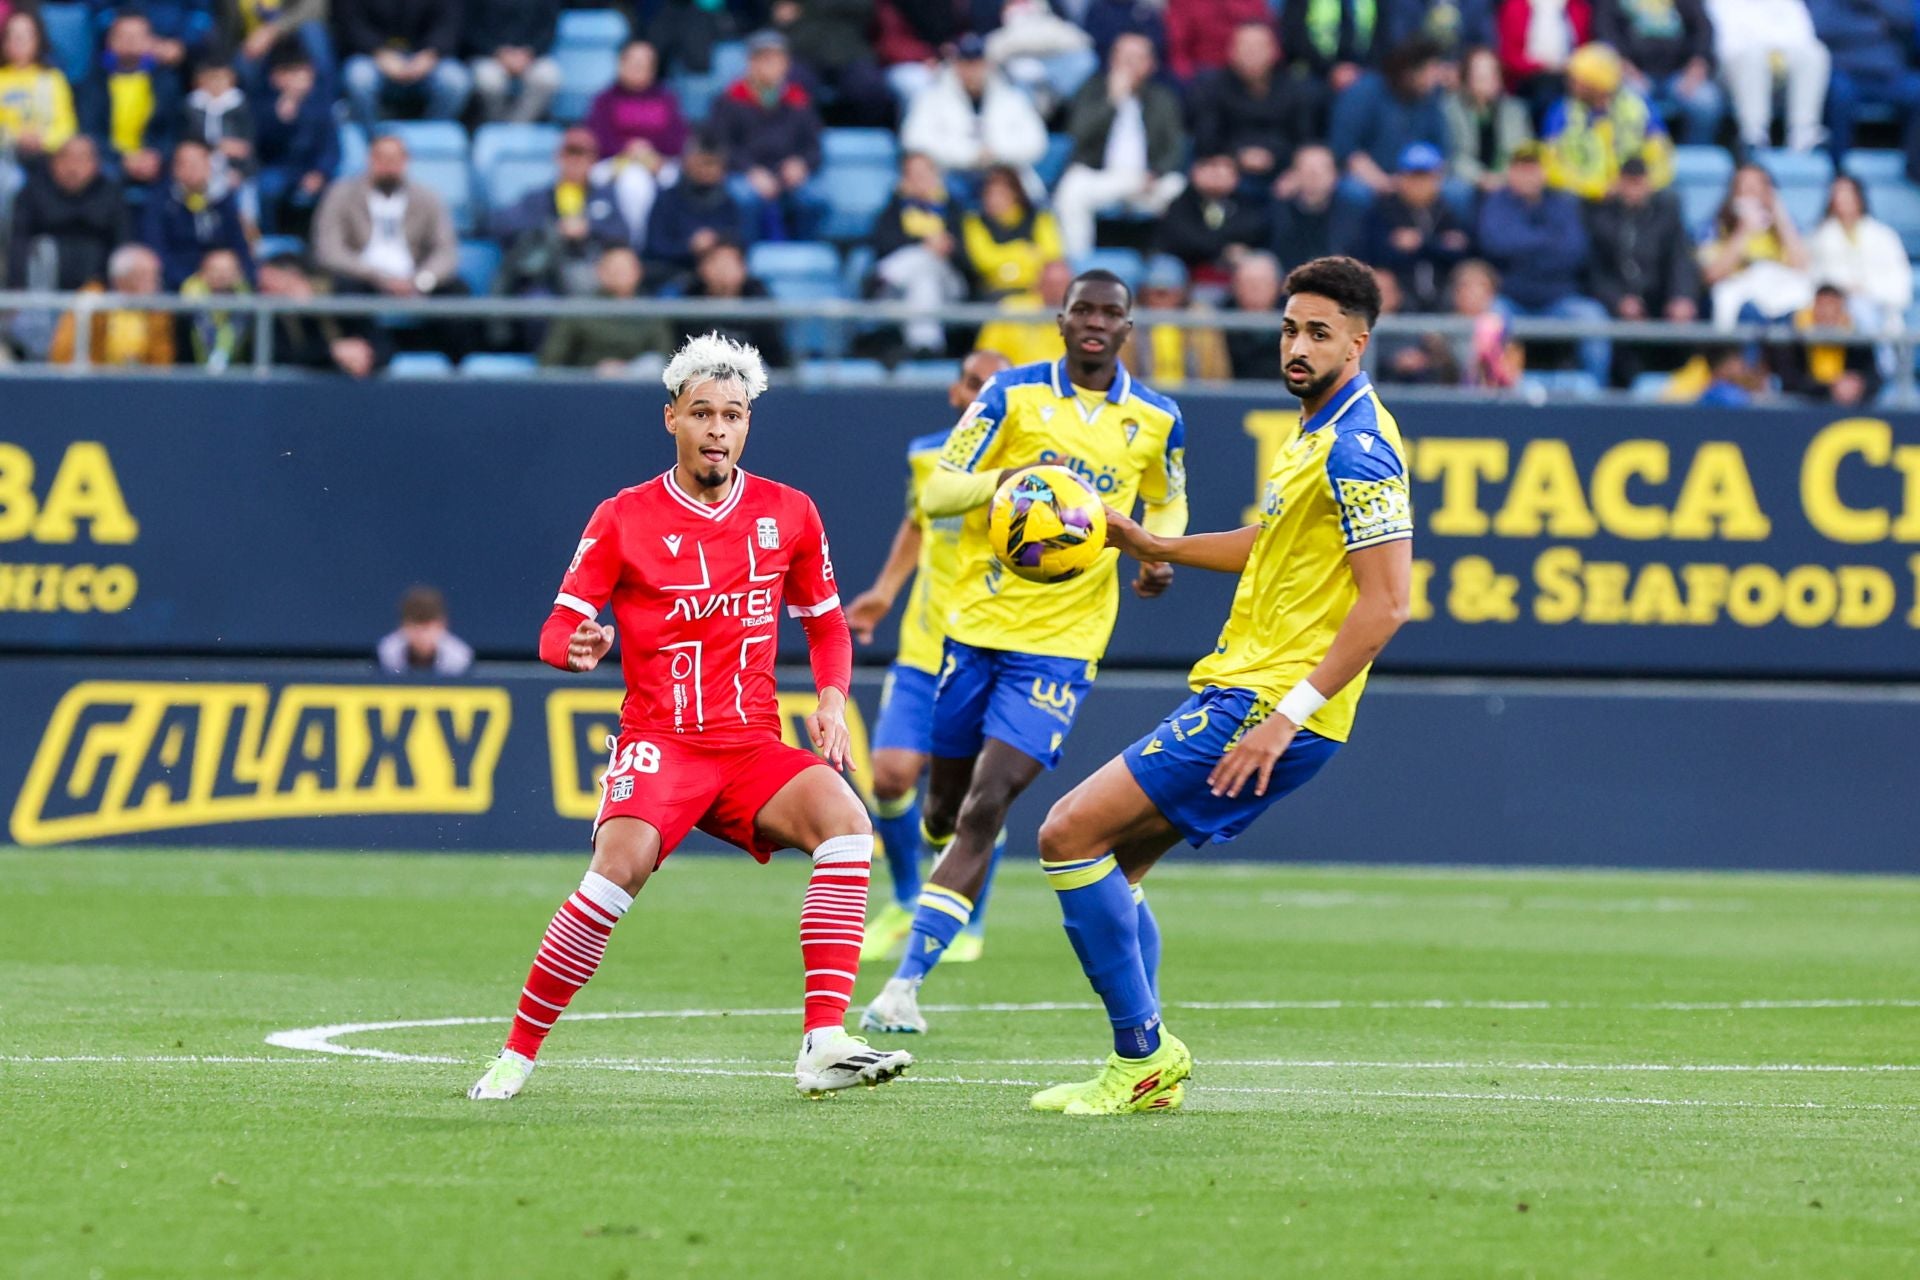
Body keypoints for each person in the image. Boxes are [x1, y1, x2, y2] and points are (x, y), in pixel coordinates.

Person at [468, 333, 913, 1102]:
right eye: (701, 412)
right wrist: (576, 647)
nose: (717, 429)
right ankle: (517, 1053)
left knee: (847, 824)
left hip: (750, 749)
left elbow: (829, 624)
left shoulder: (790, 513)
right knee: (616, 874)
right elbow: (556, 628)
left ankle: (824, 1041)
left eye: (733, 415)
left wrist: (833, 700)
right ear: (670, 416)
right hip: (662, 742)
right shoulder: (622, 518)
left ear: (748, 425)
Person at [1026, 256, 1411, 1115]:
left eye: (1318, 333)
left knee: (1064, 833)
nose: (1297, 346)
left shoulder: (1359, 447)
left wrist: (1285, 719)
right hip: (1248, 691)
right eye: (1289, 328)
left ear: (1360, 341)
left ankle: (1143, 1056)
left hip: (1267, 705)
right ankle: (1144, 1068)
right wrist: (1155, 546)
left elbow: (1388, 605)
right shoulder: (1314, 434)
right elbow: (1268, 543)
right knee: (1113, 870)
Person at [859, 268, 1189, 1037]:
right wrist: (1009, 479)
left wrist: (1156, 550)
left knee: (984, 803)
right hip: (975, 629)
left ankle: (905, 985)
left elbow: (1167, 497)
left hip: (1063, 646)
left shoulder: (1158, 418)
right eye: (1084, 311)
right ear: (1062, 320)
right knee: (942, 809)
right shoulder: (1009, 396)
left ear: (1128, 328)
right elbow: (938, 492)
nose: (1097, 324)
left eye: (1112, 313)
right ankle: (956, 865)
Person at [844, 349, 1014, 963]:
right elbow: (918, 523)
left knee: (974, 793)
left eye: (993, 388)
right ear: (956, 393)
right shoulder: (927, 456)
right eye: (973, 384)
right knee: (889, 773)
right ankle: (908, 897)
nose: (979, 397)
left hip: (986, 650)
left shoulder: (1028, 472)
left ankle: (967, 921)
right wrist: (885, 592)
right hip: (923, 648)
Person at [1475, 141, 1611, 381]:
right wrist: (1547, 242)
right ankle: (1489, 393)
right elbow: (1495, 244)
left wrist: (1523, 247)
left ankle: (1594, 394)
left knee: (1593, 318)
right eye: (1521, 168)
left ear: (1544, 172)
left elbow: (1574, 251)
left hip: (1559, 299)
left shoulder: (1564, 203)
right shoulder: (1496, 203)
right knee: (1486, 322)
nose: (1527, 175)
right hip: (1511, 299)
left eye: (1533, 168)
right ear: (1510, 172)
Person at [1051, 33, 1188, 259]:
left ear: (1151, 64)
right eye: (1124, 58)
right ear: (1112, 61)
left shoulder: (1163, 98)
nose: (1130, 65)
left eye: (1138, 58)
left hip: (1147, 180)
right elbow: (1078, 136)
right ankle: (1077, 262)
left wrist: (1156, 173)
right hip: (1103, 178)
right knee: (1071, 191)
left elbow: (1174, 147)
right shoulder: (1092, 90)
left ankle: (1167, 266)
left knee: (1179, 188)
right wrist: (1112, 101)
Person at [703, 30, 827, 242]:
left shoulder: (799, 100)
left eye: (780, 60)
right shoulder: (729, 100)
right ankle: (747, 253)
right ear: (751, 62)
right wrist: (750, 171)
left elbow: (814, 147)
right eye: (767, 59)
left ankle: (802, 254)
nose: (774, 66)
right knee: (745, 198)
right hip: (745, 174)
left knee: (815, 199)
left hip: (787, 174)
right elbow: (720, 146)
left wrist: (801, 164)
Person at [312, 133, 461, 303]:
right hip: (362, 276)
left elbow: (446, 251)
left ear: (406, 160)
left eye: (395, 158)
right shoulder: (341, 195)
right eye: (382, 158)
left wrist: (421, 281)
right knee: (345, 288)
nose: (389, 165)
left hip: (415, 277)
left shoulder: (427, 198)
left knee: (457, 290)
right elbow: (329, 250)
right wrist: (378, 277)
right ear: (370, 159)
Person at [492, 127, 631, 300]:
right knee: (537, 300)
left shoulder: (605, 197)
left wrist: (589, 228)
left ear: (593, 159)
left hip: (593, 272)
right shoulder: (538, 198)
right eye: (570, 152)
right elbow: (502, 225)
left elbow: (623, 235)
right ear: (558, 156)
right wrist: (554, 227)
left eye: (582, 153)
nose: (575, 159)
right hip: (546, 276)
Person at [1186, 21, 1324, 192]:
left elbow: (1304, 137)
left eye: (1258, 47)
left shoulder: (1295, 89)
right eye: (1244, 46)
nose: (1251, 53)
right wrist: (1238, 156)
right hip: (1230, 170)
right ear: (1231, 51)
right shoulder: (1212, 89)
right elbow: (1206, 139)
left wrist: (1292, 169)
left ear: (1274, 51)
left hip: (1284, 170)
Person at [898, 32, 1047, 180]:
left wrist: (997, 153)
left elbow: (1036, 143)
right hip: (950, 175)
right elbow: (914, 140)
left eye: (977, 63)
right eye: (966, 64)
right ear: (955, 64)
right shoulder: (932, 97)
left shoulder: (1011, 98)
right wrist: (970, 156)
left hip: (1001, 174)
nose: (972, 71)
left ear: (987, 64)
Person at [1541, 42, 1673, 202]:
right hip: (1584, 197)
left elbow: (1661, 157)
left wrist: (1642, 184)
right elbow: (1552, 165)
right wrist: (1597, 188)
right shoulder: (1561, 112)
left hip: (1632, 195)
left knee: (1668, 198)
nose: (1571, 85)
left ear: (1597, 84)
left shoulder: (1639, 107)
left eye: (1579, 80)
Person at [585, 40, 688, 242]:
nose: (639, 70)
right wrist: (627, 150)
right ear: (621, 64)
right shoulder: (605, 99)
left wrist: (652, 154)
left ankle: (671, 241)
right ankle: (636, 244)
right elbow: (597, 138)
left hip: (657, 161)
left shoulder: (666, 99)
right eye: (634, 63)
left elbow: (678, 139)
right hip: (614, 161)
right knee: (635, 182)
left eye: (645, 65)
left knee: (680, 180)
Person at [1328, 36, 1451, 205]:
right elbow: (1347, 149)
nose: (1436, 77)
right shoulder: (1364, 92)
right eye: (1430, 70)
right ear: (1410, 73)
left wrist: (1417, 184)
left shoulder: (1430, 101)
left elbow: (1440, 151)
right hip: (1370, 179)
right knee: (1353, 193)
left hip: (1418, 181)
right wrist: (1382, 182)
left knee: (1455, 192)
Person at [1354, 141, 1474, 312]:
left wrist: (1420, 243)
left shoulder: (1448, 210)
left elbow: (1461, 251)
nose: (1419, 183)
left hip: (1444, 289)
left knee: (1473, 280)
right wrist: (1437, 245)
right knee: (1380, 281)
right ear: (1401, 177)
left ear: (1438, 178)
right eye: (1413, 176)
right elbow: (1375, 252)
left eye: (1425, 176)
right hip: (1401, 291)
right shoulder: (1384, 209)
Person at [868, 151, 966, 356]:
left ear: (936, 175)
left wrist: (948, 248)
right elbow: (881, 245)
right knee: (923, 277)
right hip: (902, 292)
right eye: (912, 174)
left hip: (949, 286)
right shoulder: (895, 209)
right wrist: (925, 243)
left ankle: (886, 276)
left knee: (925, 261)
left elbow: (968, 257)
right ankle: (926, 347)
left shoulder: (954, 209)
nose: (918, 180)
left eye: (923, 173)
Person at [1812, 0, 1920, 180]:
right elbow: (1820, 27)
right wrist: (1876, 25)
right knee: (1840, 94)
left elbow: (1907, 20)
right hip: (1844, 70)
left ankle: (1915, 170)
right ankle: (1838, 170)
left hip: (1887, 73)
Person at [1697, 161, 1813, 326]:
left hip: (1779, 296)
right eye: (1745, 187)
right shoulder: (1715, 226)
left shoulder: (1785, 227)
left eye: (1757, 187)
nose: (1751, 193)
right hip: (1740, 298)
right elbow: (1712, 275)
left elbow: (1802, 267)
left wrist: (1780, 215)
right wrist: (1743, 230)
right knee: (1748, 312)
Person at [1592, 0, 1724, 145]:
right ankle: (1636, 157)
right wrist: (1623, 64)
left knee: (1705, 101)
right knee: (1631, 99)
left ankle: (1698, 156)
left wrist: (1697, 65)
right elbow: (1606, 31)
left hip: (1680, 73)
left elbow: (1703, 29)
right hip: (1631, 72)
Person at [1587, 154, 1699, 322]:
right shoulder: (1601, 218)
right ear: (1619, 183)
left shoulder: (1666, 215)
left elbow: (1681, 260)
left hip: (1659, 300)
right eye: (1628, 182)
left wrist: (1681, 296)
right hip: (1616, 305)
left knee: (1684, 315)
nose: (1633, 190)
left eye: (1638, 183)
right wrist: (1617, 300)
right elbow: (1594, 270)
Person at [1706, 0, 1828, 152]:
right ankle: (1754, 135)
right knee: (1752, 57)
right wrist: (1770, 45)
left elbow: (1803, 38)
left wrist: (1770, 48)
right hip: (1730, 70)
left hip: (1777, 63)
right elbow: (1727, 44)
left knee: (1815, 54)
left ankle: (1803, 133)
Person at [6, 135, 124, 291]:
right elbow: (18, 243)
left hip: (98, 290)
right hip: (40, 289)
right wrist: (18, 289)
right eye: (66, 158)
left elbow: (123, 242)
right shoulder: (32, 192)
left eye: (82, 159)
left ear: (96, 164)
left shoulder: (111, 194)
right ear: (53, 162)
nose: (73, 168)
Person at [79, 10, 179, 189]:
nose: (131, 42)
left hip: (155, 164)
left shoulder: (166, 81)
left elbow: (173, 130)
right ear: (110, 41)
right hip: (108, 163)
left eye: (137, 36)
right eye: (124, 36)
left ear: (151, 41)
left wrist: (155, 156)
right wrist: (123, 159)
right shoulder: (94, 82)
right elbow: (89, 130)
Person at [538, 246, 674, 374]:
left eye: (626, 268)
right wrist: (593, 370)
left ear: (638, 272)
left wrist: (625, 370)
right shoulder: (579, 309)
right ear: (600, 272)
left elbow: (664, 356)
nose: (620, 274)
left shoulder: (651, 311)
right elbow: (551, 360)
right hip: (586, 383)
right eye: (614, 269)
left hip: (637, 384)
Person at [336, 0, 472, 129]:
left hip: (427, 55)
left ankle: (427, 138)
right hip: (371, 55)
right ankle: (375, 141)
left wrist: (429, 55)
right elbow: (349, 23)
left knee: (454, 81)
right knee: (359, 78)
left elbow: (450, 22)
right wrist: (379, 53)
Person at [139, 140, 255, 289]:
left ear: (209, 166)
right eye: (184, 164)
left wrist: (244, 276)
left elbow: (240, 245)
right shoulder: (160, 201)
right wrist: (188, 280)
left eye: (197, 163)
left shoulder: (223, 200)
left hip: (221, 275)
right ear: (174, 168)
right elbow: (156, 248)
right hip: (177, 279)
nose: (191, 169)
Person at [1808, 174, 1913, 333]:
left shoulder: (1884, 237)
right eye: (1838, 194)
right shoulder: (1819, 236)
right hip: (1832, 312)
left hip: (1878, 309)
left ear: (1859, 197)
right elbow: (1813, 276)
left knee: (1864, 312)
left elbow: (1900, 286)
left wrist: (1866, 288)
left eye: (1847, 194)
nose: (1843, 200)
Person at [256, 251, 386, 378]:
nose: (264, 291)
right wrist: (333, 352)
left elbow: (384, 347)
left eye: (270, 281)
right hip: (306, 388)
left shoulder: (342, 293)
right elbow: (283, 356)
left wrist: (364, 355)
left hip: (361, 378)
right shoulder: (273, 314)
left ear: (294, 276)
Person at [254, 46, 340, 236]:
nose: (301, 79)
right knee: (267, 186)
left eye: (305, 73)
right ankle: (270, 238)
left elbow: (331, 148)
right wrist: (280, 120)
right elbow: (261, 148)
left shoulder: (322, 107)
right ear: (276, 78)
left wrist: (320, 172)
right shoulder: (265, 107)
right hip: (281, 169)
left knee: (335, 193)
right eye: (293, 73)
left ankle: (322, 242)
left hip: (313, 169)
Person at [641, 137, 749, 286]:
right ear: (687, 162)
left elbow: (741, 242)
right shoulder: (667, 199)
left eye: (712, 164)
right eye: (702, 163)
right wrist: (690, 247)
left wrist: (716, 245)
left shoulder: (729, 203)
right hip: (675, 272)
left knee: (728, 268)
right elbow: (655, 246)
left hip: (719, 268)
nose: (706, 170)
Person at [1155, 151, 1272, 286]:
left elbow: (1254, 229)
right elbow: (1183, 238)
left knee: (1259, 266)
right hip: (1185, 265)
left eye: (1225, 167)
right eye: (1210, 166)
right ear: (1195, 171)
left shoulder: (1246, 203)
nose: (1217, 173)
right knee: (1165, 270)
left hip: (1233, 271)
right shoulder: (1180, 202)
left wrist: (1211, 239)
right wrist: (1224, 250)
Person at [48, 243, 175, 366]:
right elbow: (63, 356)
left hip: (142, 385)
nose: (156, 284)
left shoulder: (157, 310)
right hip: (97, 383)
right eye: (148, 277)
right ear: (124, 279)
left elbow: (162, 362)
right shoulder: (91, 303)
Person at [772, 0, 893, 128]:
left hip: (849, 51)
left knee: (869, 86)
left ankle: (865, 133)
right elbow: (779, 13)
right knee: (793, 85)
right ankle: (800, 134)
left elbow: (865, 8)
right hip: (802, 50)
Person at [1120, 253, 1230, 384]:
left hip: (1195, 398)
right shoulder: (1128, 323)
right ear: (1143, 292)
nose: (1161, 299)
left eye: (1168, 292)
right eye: (1156, 292)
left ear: (1183, 293)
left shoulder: (1202, 321)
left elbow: (1218, 375)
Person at [678, 239, 789, 368]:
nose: (722, 271)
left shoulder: (759, 301)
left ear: (743, 269)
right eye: (716, 263)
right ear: (702, 269)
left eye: (729, 264)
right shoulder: (688, 300)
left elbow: (775, 354)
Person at [960, 164, 1063, 300]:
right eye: (989, 194)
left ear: (1015, 193)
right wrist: (1023, 251)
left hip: (1036, 292)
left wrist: (1005, 262)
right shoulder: (974, 222)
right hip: (995, 294)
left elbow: (1052, 255)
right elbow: (984, 260)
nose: (994, 200)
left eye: (1001, 193)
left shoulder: (1039, 217)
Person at [1444, 44, 1534, 195]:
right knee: (1457, 191)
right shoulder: (1450, 110)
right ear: (1467, 78)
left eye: (1494, 74)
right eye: (1481, 76)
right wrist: (1481, 178)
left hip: (1508, 178)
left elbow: (1523, 151)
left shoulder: (1515, 111)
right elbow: (1454, 156)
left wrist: (1504, 177)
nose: (1490, 80)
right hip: (1468, 179)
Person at [1775, 283, 1881, 404]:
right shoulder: (1793, 334)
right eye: (1822, 306)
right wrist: (1831, 387)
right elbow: (1789, 380)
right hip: (1804, 404)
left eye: (1833, 307)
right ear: (1814, 307)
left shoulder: (1856, 339)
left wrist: (1858, 385)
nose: (1827, 313)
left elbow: (1874, 378)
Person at [465, 0, 562, 124]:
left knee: (547, 76)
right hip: (487, 55)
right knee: (489, 80)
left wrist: (530, 52)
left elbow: (548, 27)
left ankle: (516, 128)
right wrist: (497, 53)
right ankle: (495, 126)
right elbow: (469, 28)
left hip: (530, 56)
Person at [0, 10, 77, 162]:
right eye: (13, 35)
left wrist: (44, 140)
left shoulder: (53, 78)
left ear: (38, 39)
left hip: (49, 156)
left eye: (26, 35)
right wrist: (16, 138)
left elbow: (67, 126)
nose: (19, 41)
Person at [180, 53, 256, 204]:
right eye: (211, 78)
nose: (216, 83)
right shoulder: (190, 107)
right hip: (200, 168)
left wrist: (240, 172)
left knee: (246, 196)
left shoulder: (241, 106)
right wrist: (216, 146)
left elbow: (247, 146)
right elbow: (187, 140)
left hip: (234, 169)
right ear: (200, 80)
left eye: (221, 78)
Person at [974, 256, 1072, 365]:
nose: (1056, 291)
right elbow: (987, 352)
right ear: (1037, 284)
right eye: (1051, 284)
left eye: (1062, 285)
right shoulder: (1011, 308)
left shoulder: (1078, 317)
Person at [1281, 0, 1385, 91]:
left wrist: (1360, 71)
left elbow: (1381, 38)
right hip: (1315, 72)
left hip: (1361, 73)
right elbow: (1294, 36)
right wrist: (1331, 69)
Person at [178, 247, 252, 369]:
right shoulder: (187, 302)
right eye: (215, 269)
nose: (222, 275)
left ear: (239, 273)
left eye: (228, 270)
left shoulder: (247, 301)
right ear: (202, 272)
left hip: (236, 373)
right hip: (191, 371)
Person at [1270, 144, 1342, 267]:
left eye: (1322, 169)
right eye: (1306, 169)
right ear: (1293, 174)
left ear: (1335, 175)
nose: (1314, 175)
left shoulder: (1353, 212)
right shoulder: (1278, 209)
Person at [377, 585, 475, 675]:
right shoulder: (388, 652)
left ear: (441, 625)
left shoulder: (458, 656)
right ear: (403, 626)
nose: (421, 635)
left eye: (426, 628)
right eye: (414, 627)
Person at [1164, 0, 1272, 81]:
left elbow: (1267, 33)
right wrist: (1186, 77)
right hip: (1205, 72)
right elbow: (1178, 47)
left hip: (1249, 68)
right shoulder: (1185, 3)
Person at [1223, 250, 1285, 380]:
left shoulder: (1295, 316)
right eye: (1248, 283)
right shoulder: (1220, 320)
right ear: (1235, 286)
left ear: (1277, 286)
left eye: (1262, 283)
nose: (1255, 289)